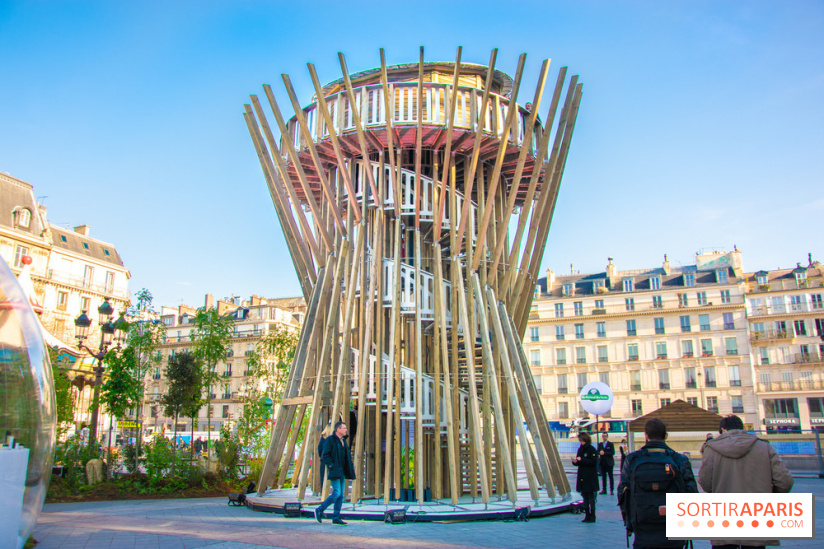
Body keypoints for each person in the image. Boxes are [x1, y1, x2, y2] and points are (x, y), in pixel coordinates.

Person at [699, 414, 793, 549]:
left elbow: (705, 481)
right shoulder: (764, 446)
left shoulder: (711, 448)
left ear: (723, 430)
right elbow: (785, 481)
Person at [618, 418, 697, 548]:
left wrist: (630, 521)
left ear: (646, 435)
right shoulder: (679, 459)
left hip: (642, 525)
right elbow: (692, 493)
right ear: (666, 436)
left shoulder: (632, 459)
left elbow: (622, 491)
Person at [314, 421, 356, 525]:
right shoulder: (330, 440)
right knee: (336, 492)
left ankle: (336, 516)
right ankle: (320, 509)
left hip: (342, 470)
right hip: (335, 470)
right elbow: (325, 454)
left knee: (341, 495)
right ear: (338, 430)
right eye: (344, 428)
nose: (346, 430)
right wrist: (331, 465)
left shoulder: (343, 441)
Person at [572, 432, 599, 523]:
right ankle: (587, 514)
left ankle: (592, 515)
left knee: (591, 497)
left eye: (582, 440)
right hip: (582, 475)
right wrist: (575, 462)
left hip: (590, 476)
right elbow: (579, 461)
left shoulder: (592, 449)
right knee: (585, 496)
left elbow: (593, 462)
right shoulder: (580, 449)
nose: (581, 442)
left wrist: (582, 460)